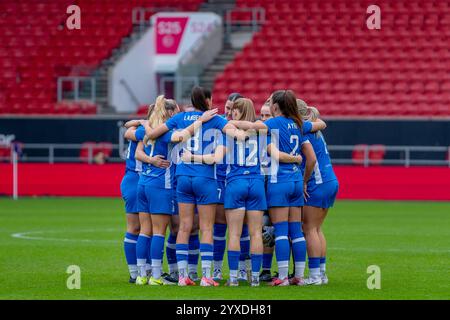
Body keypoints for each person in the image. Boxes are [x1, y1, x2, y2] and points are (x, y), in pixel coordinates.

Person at [145, 86, 243, 286]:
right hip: (205, 177)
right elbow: (237, 133)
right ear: (208, 100)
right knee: (206, 227)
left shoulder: (180, 119)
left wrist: (143, 126)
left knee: (184, 227)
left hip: (182, 177)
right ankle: (206, 276)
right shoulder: (215, 119)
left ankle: (182, 277)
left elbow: (154, 133)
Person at [229, 90, 318, 286]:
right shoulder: (298, 124)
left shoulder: (273, 123)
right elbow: (318, 125)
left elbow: (251, 126)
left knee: (280, 231)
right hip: (296, 180)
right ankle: (299, 277)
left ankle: (283, 277)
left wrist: (230, 123)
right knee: (296, 231)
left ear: (276, 107)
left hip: (280, 181)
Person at [299, 106, 339, 285]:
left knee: (309, 229)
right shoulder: (315, 129)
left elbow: (312, 159)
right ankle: (321, 274)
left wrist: (304, 181)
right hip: (330, 180)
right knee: (317, 229)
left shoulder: (304, 130)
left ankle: (314, 276)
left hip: (318, 182)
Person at [120, 114, 148, 283]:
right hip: (137, 178)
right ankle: (136, 272)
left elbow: (127, 127)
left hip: (136, 179)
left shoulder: (141, 127)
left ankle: (143, 271)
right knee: (137, 228)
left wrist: (137, 122)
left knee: (142, 228)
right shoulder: (147, 130)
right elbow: (128, 130)